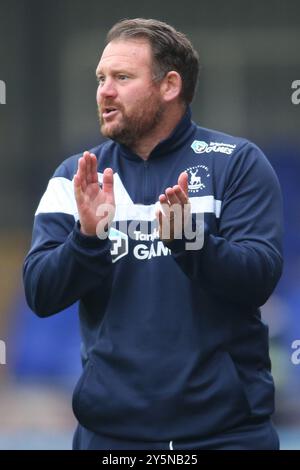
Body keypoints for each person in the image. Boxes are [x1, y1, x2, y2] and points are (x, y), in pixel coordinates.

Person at [23, 18, 283, 450]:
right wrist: (87, 238)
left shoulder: (237, 163)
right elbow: (41, 293)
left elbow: (258, 278)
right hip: (110, 440)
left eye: (122, 77)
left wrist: (189, 242)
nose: (104, 91)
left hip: (226, 437)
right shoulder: (75, 177)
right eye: (101, 78)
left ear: (170, 86)